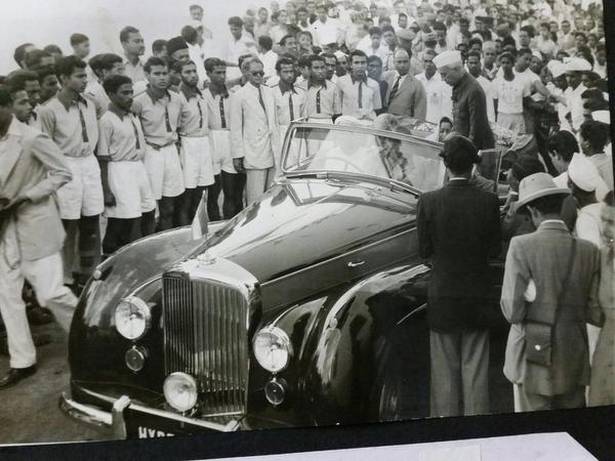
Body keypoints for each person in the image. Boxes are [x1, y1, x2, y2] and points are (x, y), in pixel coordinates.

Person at [501, 172, 602, 412]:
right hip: (573, 359)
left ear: (533, 211)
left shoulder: (521, 246)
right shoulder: (589, 251)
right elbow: (596, 313)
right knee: (573, 435)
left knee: (534, 439)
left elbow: (512, 311)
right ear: (559, 205)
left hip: (531, 358)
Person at [417, 134, 501, 417]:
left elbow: (424, 251)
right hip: (478, 296)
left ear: (446, 165)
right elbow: (494, 250)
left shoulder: (428, 202)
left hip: (442, 297)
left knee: (444, 379)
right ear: (472, 167)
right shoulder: (489, 202)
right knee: (475, 373)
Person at [0, 89, 77, 389]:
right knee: (7, 297)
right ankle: (23, 361)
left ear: (6, 107)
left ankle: (89, 336)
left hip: (35, 224)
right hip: (5, 231)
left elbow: (61, 173)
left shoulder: (32, 138)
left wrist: (25, 197)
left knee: (51, 293)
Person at [38, 56, 103, 290]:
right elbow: (44, 146)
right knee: (68, 223)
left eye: (85, 75)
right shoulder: (48, 110)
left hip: (89, 163)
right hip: (65, 165)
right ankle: (64, 278)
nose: (84, 80)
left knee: (91, 219)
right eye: (79, 76)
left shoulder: (91, 103)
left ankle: (88, 273)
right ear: (63, 79)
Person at [97, 75, 155, 257]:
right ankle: (112, 259)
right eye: (124, 93)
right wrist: (106, 190)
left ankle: (145, 255)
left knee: (148, 210)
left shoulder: (132, 115)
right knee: (125, 219)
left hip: (138, 168)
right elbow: (103, 158)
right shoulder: (106, 121)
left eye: (131, 92)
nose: (130, 96)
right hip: (119, 171)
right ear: (110, 94)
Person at [132, 57, 185, 231]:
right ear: (147, 75)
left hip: (170, 152)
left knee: (169, 205)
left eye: (164, 73)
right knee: (150, 206)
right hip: (151, 153)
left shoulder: (177, 98)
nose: (162, 78)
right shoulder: (138, 102)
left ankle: (167, 242)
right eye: (156, 74)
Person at [230, 57, 278, 206]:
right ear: (246, 73)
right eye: (255, 73)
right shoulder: (239, 96)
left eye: (261, 73)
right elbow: (236, 128)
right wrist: (238, 155)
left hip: (272, 148)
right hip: (253, 150)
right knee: (255, 198)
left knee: (271, 196)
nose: (259, 76)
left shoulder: (269, 92)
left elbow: (273, 121)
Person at [177, 60, 215, 225]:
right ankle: (185, 230)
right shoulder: (178, 98)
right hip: (188, 143)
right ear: (179, 75)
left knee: (202, 189)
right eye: (187, 72)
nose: (192, 75)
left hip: (203, 143)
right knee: (188, 192)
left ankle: (200, 227)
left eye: (194, 71)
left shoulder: (200, 94)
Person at [203, 58, 241, 220]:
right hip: (211, 140)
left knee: (231, 191)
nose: (221, 76)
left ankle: (230, 226)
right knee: (213, 192)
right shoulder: (202, 96)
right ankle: (214, 227)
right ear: (208, 74)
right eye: (217, 73)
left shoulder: (232, 95)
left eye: (223, 72)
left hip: (229, 139)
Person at [433, 50, 494, 150]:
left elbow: (476, 132)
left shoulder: (473, 90)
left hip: (476, 151)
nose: (443, 79)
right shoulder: (459, 85)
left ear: (456, 69)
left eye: (444, 74)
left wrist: (466, 155)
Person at [588, 192, 615, 405]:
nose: (605, 229)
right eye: (603, 220)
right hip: (605, 354)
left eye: (612, 222)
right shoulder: (603, 257)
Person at [271, 57, 305, 174]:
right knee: (281, 168)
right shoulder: (271, 93)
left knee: (298, 167)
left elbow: (304, 117)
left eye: (291, 71)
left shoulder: (301, 93)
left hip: (298, 134)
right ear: (278, 73)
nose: (290, 75)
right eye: (285, 72)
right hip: (280, 134)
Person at [335, 50, 382, 120]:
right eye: (356, 63)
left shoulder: (374, 84)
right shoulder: (341, 81)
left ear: (366, 64)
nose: (360, 66)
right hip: (348, 123)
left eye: (363, 63)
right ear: (351, 64)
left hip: (368, 123)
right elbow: (338, 107)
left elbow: (377, 108)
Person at [493, 51, 530, 137]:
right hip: (502, 117)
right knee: (502, 144)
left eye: (508, 63)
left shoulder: (522, 81)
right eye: (503, 63)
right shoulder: (496, 82)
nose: (505, 65)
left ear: (513, 64)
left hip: (518, 118)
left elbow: (526, 101)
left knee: (518, 145)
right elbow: (495, 103)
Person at [384, 49, 426, 120]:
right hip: (384, 121)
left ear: (409, 62)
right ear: (394, 62)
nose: (402, 65)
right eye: (399, 62)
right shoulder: (386, 77)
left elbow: (419, 111)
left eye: (405, 62)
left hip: (403, 124)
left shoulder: (416, 84)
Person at [303, 54, 340, 123]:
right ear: (309, 69)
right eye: (316, 68)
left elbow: (337, 112)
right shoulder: (301, 87)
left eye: (322, 67)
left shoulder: (333, 87)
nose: (320, 71)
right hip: (307, 123)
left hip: (328, 122)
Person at [579, 120, 614, 192]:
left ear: (587, 143)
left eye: (580, 139)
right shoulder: (610, 160)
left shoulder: (586, 167)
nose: (579, 143)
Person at [466, 51, 495, 126]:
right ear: (467, 64)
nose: (473, 65)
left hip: (480, 122)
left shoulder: (486, 83)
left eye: (475, 63)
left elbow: (490, 106)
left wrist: (490, 123)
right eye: (471, 63)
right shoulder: (461, 81)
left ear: (480, 64)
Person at [225, 16, 258, 81]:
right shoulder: (229, 41)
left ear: (241, 28)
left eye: (235, 29)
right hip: (230, 75)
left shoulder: (248, 41)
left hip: (243, 75)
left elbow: (255, 57)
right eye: (231, 29)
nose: (233, 32)